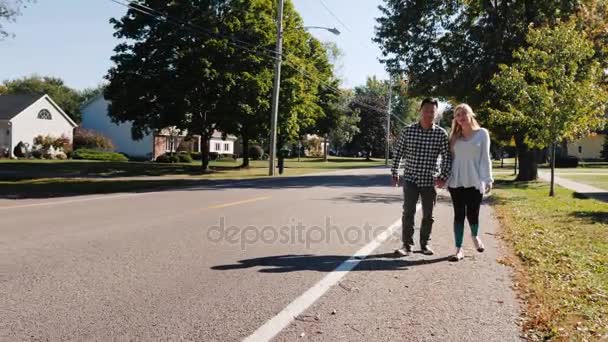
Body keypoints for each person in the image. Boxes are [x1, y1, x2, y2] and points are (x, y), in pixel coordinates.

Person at [391, 98, 452, 256]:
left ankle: (425, 244)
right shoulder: (408, 130)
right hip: (411, 178)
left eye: (432, 111)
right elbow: (398, 152)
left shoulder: (440, 134)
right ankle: (406, 245)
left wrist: (443, 176)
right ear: (420, 110)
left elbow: (447, 157)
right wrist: (395, 171)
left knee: (428, 215)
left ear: (436, 113)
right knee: (408, 213)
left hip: (429, 181)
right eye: (426, 110)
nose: (429, 114)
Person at [446, 103, 493, 261]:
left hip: (475, 180)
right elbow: (449, 160)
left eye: (463, 113)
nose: (461, 117)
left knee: (473, 214)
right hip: (456, 181)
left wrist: (488, 179)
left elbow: (485, 158)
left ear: (470, 114)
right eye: (458, 115)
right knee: (458, 215)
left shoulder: (482, 134)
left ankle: (475, 236)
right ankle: (459, 249)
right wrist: (443, 177)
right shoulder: (453, 137)